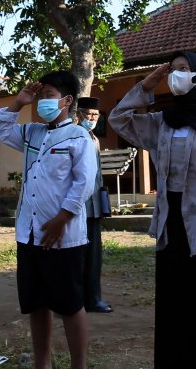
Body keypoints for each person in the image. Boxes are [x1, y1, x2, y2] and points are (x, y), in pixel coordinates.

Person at [109, 50, 196, 369]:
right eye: (173, 69)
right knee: (176, 298)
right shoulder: (162, 122)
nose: (176, 75)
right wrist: (145, 87)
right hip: (170, 221)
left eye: (184, 69)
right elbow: (118, 119)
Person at [0, 71, 97, 369]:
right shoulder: (32, 133)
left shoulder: (79, 137)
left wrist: (62, 219)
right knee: (36, 303)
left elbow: (84, 184)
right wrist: (18, 102)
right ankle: (42, 363)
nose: (42, 102)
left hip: (64, 236)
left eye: (49, 95)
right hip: (29, 233)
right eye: (41, 96)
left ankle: (79, 365)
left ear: (67, 100)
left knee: (70, 305)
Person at [74, 97, 113, 312]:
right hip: (77, 206)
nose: (92, 118)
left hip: (94, 206)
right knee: (77, 255)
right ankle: (75, 300)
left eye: (96, 115)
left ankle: (92, 298)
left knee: (93, 255)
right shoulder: (74, 135)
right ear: (78, 114)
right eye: (88, 114)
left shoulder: (94, 138)